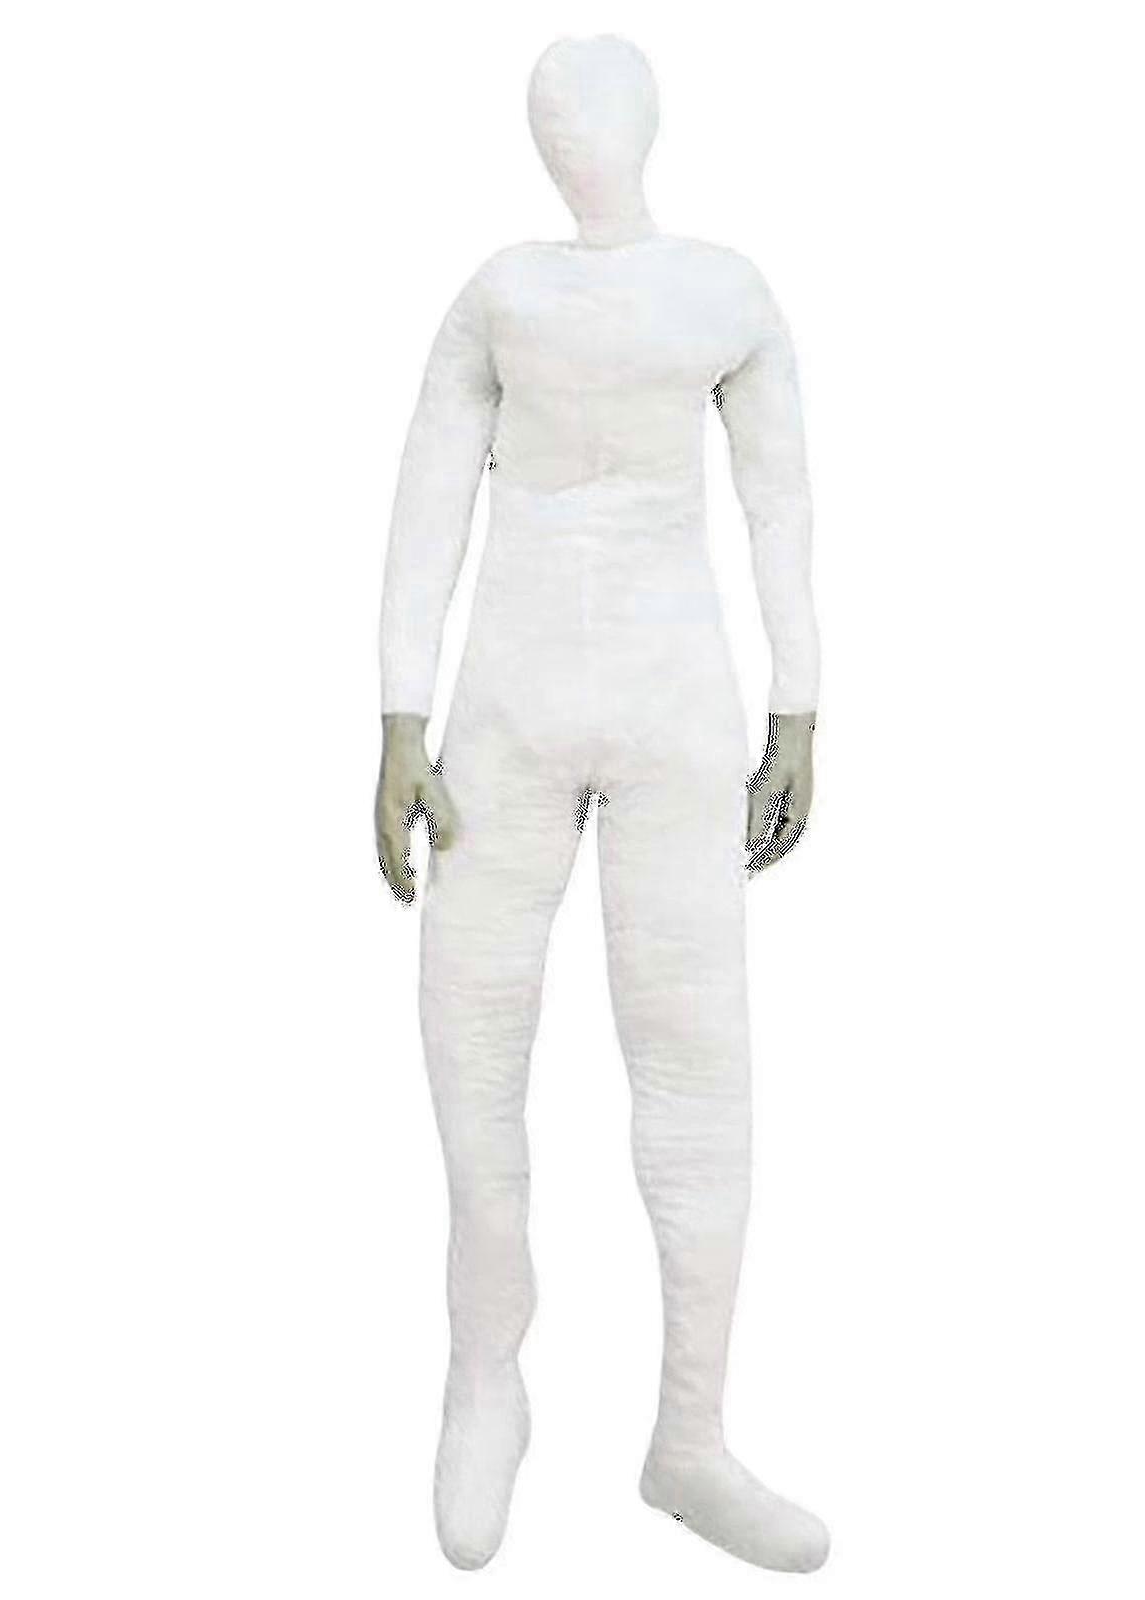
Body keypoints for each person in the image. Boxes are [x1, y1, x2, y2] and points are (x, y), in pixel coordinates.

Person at [375, 34, 827, 1573]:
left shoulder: (722, 295)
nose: (577, 134)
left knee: (695, 1071)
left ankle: (689, 1436)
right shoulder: (504, 295)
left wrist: (801, 705)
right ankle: (484, 1380)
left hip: (666, 719)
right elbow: (429, 489)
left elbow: (779, 499)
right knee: (473, 1053)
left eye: (589, 111)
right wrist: (397, 714)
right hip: (516, 722)